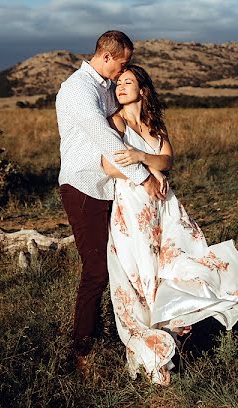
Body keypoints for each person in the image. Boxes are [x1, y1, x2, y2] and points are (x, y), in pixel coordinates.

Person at [102, 64, 238, 385]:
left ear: (143, 90)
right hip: (132, 207)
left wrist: (143, 159)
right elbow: (108, 166)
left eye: (128, 82)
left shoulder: (155, 126)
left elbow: (167, 159)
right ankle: (154, 355)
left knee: (173, 265)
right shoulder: (114, 122)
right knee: (139, 275)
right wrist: (146, 172)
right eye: (118, 84)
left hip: (163, 209)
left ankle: (172, 333)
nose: (120, 88)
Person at [55, 31, 166, 380]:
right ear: (107, 55)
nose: (124, 69)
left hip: (109, 187)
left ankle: (111, 331)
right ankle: (81, 349)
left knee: (116, 265)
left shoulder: (104, 86)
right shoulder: (78, 89)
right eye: (122, 62)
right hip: (83, 185)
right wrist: (143, 176)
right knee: (95, 270)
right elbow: (103, 137)